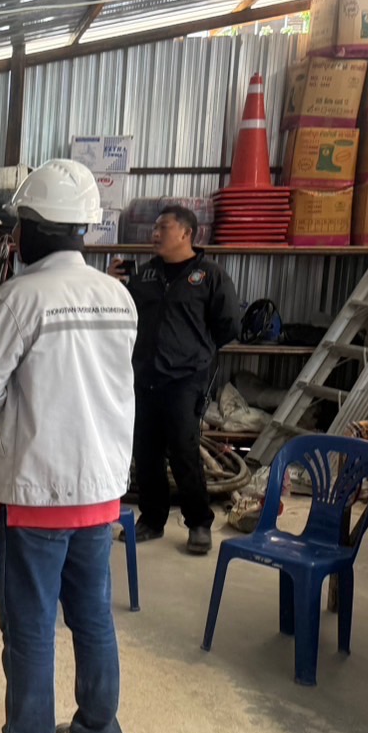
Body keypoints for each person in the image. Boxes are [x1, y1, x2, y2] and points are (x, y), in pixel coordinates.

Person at [0, 159, 137, 733]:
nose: (13, 238)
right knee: (92, 618)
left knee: (30, 626)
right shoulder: (118, 297)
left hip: (36, 491)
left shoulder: (22, 297)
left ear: (32, 229)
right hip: (100, 490)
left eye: (18, 227)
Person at [119, 204, 241, 555]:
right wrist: (114, 283)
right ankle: (152, 518)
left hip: (185, 379)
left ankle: (199, 523)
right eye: (154, 227)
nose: (155, 234)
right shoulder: (144, 275)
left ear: (187, 233)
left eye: (164, 227)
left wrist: (196, 352)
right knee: (146, 451)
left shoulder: (210, 276)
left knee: (184, 450)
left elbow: (228, 326)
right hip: (145, 376)